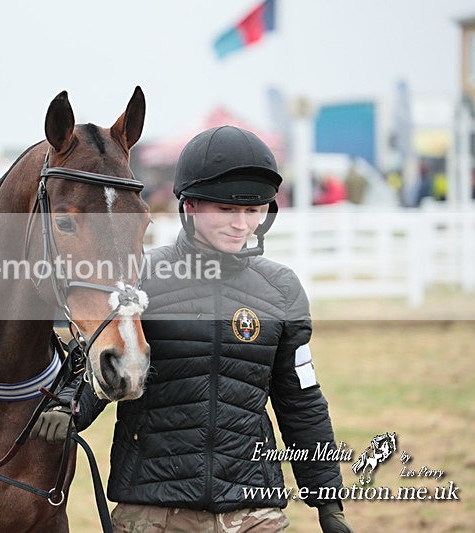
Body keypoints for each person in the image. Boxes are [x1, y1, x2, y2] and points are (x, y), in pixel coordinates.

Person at [32, 126, 352, 532]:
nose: (242, 224)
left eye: (253, 211)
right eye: (227, 211)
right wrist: (69, 407)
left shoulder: (282, 290)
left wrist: (329, 505)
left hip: (252, 508)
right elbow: (100, 360)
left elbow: (301, 402)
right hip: (155, 510)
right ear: (191, 206)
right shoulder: (140, 277)